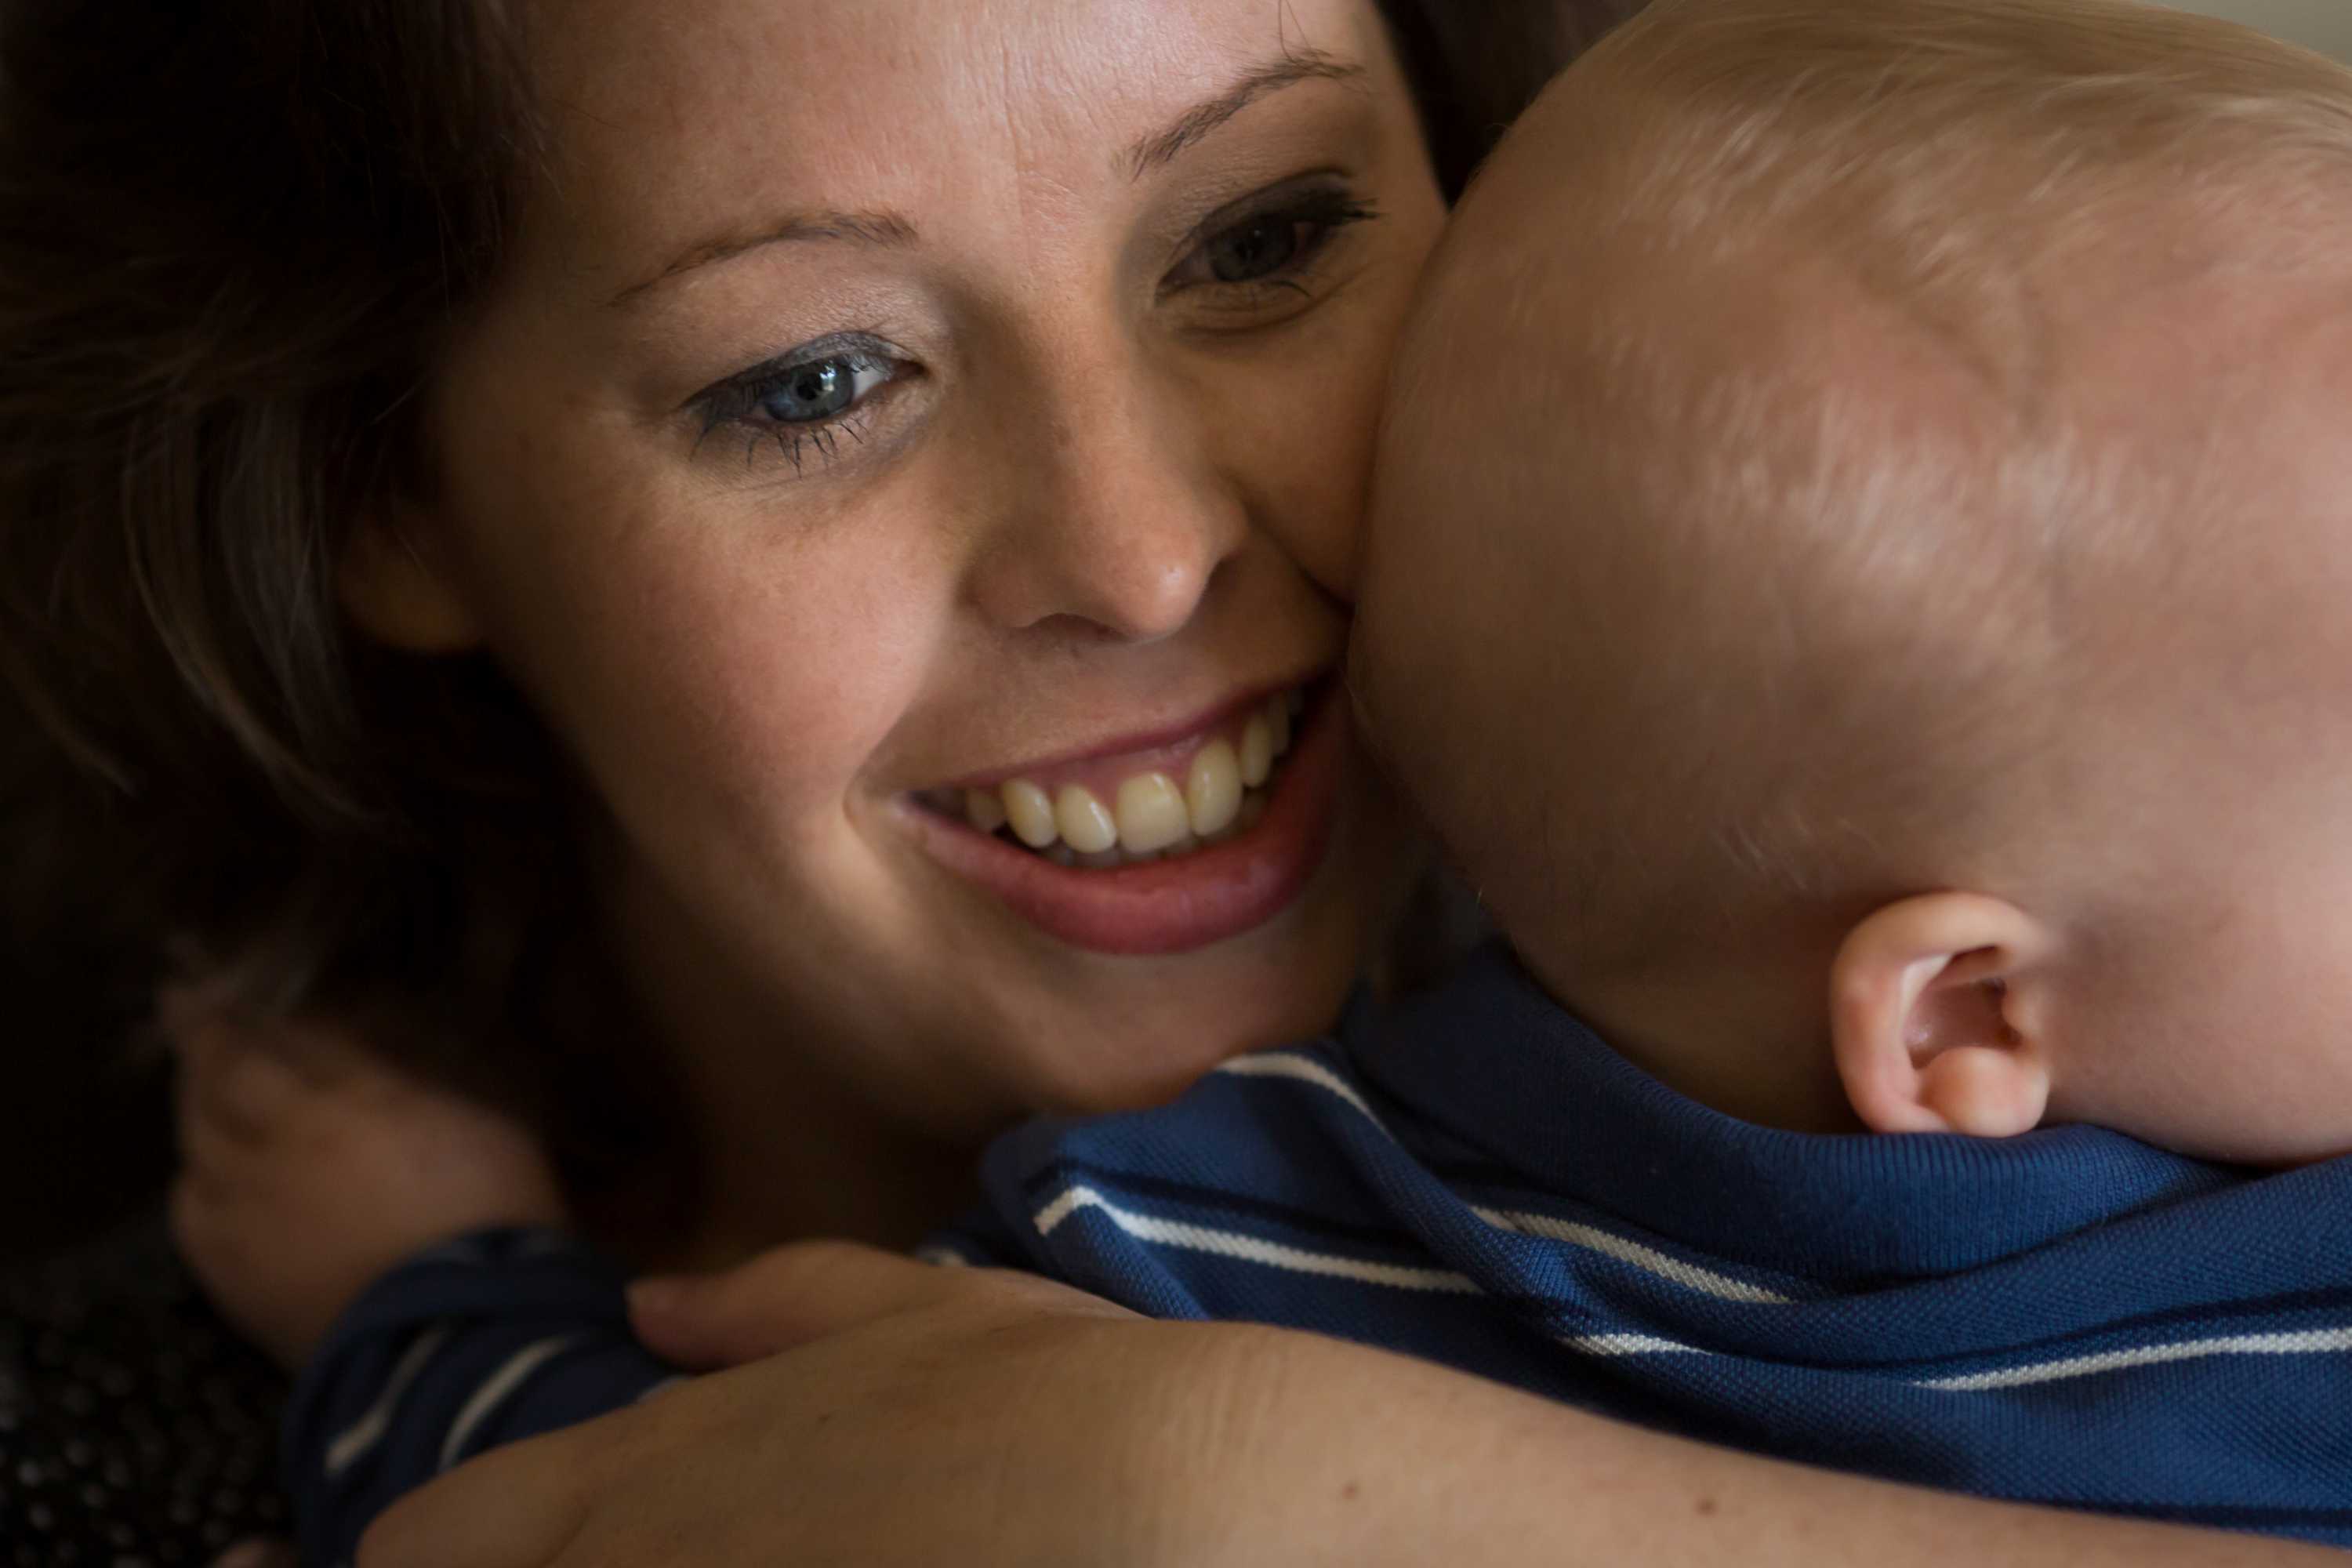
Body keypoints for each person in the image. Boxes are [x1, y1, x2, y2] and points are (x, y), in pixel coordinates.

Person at [13, 0, 2333, 1566]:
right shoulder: (107, 1460)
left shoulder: (2204, 990)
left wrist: (1272, 1485)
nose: (1140, 552)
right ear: (378, 491)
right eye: (816, 376)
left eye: (1263, 235)